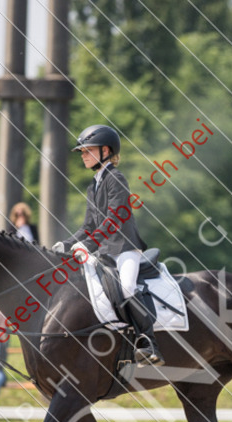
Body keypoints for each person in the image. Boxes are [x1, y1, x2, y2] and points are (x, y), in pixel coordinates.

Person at [59, 124, 163, 366]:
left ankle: (148, 342)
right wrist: (65, 244)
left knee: (126, 287)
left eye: (87, 150)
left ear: (105, 150)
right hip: (104, 252)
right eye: (82, 151)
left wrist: (89, 245)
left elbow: (115, 219)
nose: (83, 155)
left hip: (125, 249)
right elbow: (87, 226)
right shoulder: (93, 186)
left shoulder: (116, 178)